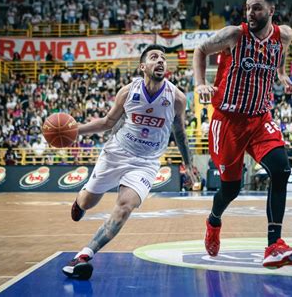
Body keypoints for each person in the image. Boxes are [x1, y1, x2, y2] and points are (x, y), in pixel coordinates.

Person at [62, 45, 197, 280]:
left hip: (146, 162)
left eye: (164, 58)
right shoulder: (127, 91)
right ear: (142, 67)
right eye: (154, 57)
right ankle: (80, 200)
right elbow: (107, 122)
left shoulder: (176, 98)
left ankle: (84, 255)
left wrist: (189, 165)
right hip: (116, 153)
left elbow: (181, 134)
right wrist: (75, 131)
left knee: (125, 206)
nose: (161, 61)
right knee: (88, 201)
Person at [193, 0, 292, 269]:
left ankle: (274, 245)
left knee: (281, 169)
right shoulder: (234, 34)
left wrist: (282, 76)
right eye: (247, 9)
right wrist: (199, 83)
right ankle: (214, 220)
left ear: (271, 11)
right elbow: (200, 50)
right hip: (228, 120)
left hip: (259, 118)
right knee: (230, 190)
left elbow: (280, 59)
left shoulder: (285, 34)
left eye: (256, 8)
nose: (250, 13)